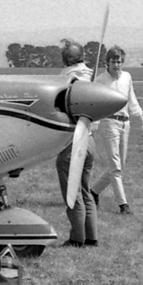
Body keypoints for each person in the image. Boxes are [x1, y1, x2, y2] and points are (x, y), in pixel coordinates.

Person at [91, 46, 143, 215]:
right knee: (115, 166)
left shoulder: (127, 77)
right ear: (107, 63)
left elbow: (132, 100)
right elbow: (95, 103)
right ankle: (123, 205)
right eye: (113, 62)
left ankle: (93, 191)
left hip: (126, 123)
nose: (117, 65)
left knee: (119, 166)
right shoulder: (100, 80)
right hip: (109, 123)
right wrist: (93, 126)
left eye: (119, 62)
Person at [55, 39, 97, 246]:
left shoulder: (67, 77)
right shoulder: (92, 76)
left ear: (66, 59)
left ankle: (76, 238)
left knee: (73, 191)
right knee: (86, 190)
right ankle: (92, 237)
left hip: (72, 143)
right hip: (90, 140)